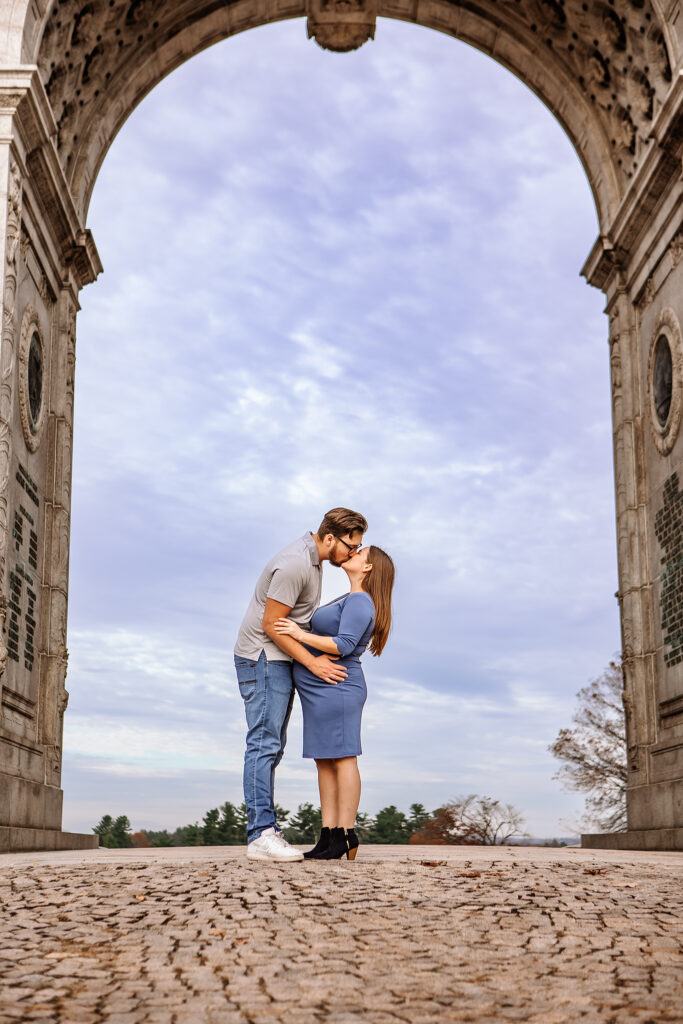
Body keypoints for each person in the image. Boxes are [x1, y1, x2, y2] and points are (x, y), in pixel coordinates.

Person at [234, 507, 368, 862]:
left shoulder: (314, 563)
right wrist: (312, 662)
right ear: (329, 539)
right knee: (264, 744)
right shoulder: (296, 564)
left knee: (272, 746)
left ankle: (265, 830)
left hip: (278, 659)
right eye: (351, 546)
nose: (354, 553)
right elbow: (271, 624)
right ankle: (261, 834)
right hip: (263, 658)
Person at [274, 544, 395, 861]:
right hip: (321, 689)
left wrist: (298, 634)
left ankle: (345, 833)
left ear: (368, 568)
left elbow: (343, 645)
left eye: (359, 553)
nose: (352, 552)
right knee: (324, 760)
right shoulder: (350, 598)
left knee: (343, 758)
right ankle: (328, 836)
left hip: (338, 688)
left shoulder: (360, 600)